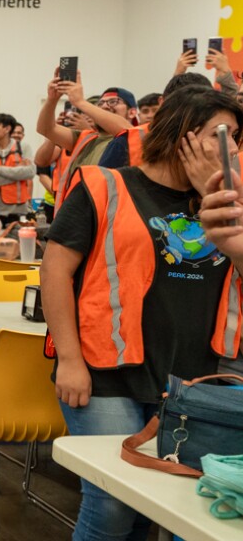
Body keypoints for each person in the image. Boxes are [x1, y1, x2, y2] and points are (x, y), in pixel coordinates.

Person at [42, 86, 243, 541]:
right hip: (105, 372)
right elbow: (55, 271)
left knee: (174, 508)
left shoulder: (228, 202)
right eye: (220, 135)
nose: (230, 149)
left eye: (235, 139)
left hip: (193, 378)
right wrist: (70, 360)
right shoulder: (104, 185)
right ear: (180, 133)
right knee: (113, 503)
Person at [35, 70, 132, 213]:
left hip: (109, 215)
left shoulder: (134, 136)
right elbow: (46, 129)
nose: (105, 106)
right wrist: (52, 99)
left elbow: (126, 130)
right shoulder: (86, 137)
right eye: (101, 103)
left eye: (113, 102)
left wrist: (80, 101)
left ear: (132, 112)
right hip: (75, 214)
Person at [99, 73, 211, 170]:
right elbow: (103, 187)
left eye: (198, 106)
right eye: (180, 105)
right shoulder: (127, 141)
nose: (188, 114)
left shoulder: (220, 141)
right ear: (162, 102)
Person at [0, 113, 35, 226]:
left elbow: (30, 172)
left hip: (19, 211)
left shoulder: (23, 147)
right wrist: (17, 174)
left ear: (7, 129)